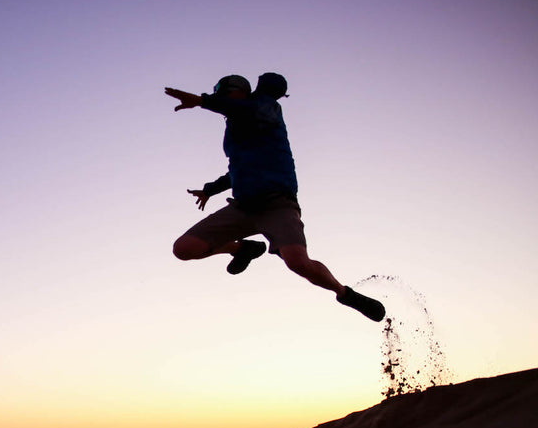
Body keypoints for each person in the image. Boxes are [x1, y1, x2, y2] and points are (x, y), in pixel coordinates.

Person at [165, 73, 385, 322]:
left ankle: (344, 293)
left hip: (277, 205)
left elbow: (245, 107)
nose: (218, 95)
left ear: (240, 91)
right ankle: (243, 248)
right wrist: (209, 190)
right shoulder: (238, 128)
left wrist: (201, 100)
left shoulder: (264, 107)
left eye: (222, 91)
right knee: (183, 249)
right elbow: (237, 170)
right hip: (243, 207)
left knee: (297, 262)